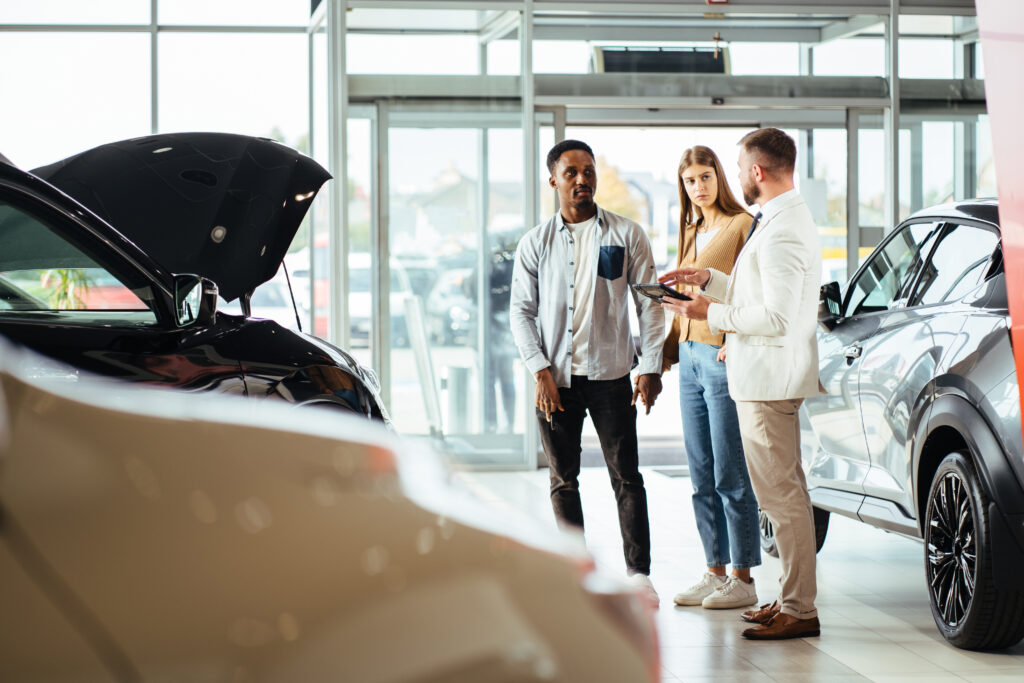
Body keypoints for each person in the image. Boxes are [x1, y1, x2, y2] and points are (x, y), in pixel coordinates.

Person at [659, 128, 823, 640]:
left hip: (768, 379)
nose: (736, 179)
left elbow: (774, 317)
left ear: (756, 172)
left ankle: (800, 608)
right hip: (763, 377)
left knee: (782, 497)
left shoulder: (782, 228)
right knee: (779, 495)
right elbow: (762, 295)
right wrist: (712, 282)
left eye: (737, 169)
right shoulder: (779, 220)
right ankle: (791, 599)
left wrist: (713, 311)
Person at [510, 139, 664, 605]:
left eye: (589, 171)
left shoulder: (626, 234)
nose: (582, 180)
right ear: (553, 180)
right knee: (563, 479)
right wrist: (539, 369)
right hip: (555, 381)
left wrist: (651, 366)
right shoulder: (534, 242)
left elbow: (650, 306)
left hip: (612, 375)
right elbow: (520, 311)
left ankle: (639, 574)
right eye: (571, 172)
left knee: (627, 476)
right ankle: (575, 572)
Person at [661, 145, 761, 610]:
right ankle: (714, 569)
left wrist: (731, 340)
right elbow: (688, 292)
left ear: (719, 177)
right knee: (700, 470)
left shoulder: (743, 226)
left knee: (729, 470)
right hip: (689, 353)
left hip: (720, 355)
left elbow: (749, 292)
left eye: (705, 177)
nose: (698, 187)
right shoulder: (690, 227)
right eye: (689, 180)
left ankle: (743, 577)